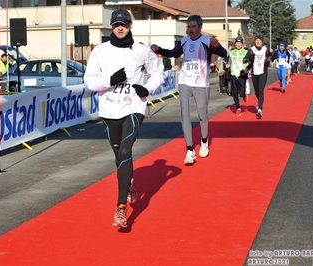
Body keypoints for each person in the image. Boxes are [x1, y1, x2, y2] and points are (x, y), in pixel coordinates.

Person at [84, 8, 164, 228]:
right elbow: (89, 81)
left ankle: (120, 208)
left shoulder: (141, 50)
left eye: (124, 24)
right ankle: (127, 184)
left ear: (130, 26)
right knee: (119, 155)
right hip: (109, 109)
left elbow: (158, 72)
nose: (120, 27)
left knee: (127, 151)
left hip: (134, 107)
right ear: (111, 27)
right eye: (116, 24)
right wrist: (109, 80)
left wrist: (146, 89)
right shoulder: (100, 51)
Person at [151, 14, 227, 164]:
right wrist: (159, 49)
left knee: (202, 115)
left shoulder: (206, 41)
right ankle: (190, 150)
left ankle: (204, 141)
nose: (191, 29)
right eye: (189, 26)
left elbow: (223, 54)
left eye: (193, 27)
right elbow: (174, 53)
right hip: (185, 81)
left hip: (201, 83)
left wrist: (217, 46)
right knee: (184, 115)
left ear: (200, 27)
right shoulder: (184, 41)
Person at [243, 34, 270, 119]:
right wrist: (249, 58)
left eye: (259, 40)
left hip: (263, 72)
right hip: (254, 73)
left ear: (262, 41)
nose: (258, 42)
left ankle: (259, 110)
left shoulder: (266, 49)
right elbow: (245, 59)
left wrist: (269, 62)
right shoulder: (252, 50)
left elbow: (270, 56)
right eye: (256, 40)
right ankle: (259, 102)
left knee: (261, 90)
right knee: (257, 91)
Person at [226, 37, 248, 116]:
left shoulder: (246, 52)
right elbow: (229, 61)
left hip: (242, 74)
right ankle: (238, 108)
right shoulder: (232, 52)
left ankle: (244, 94)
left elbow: (249, 61)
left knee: (241, 92)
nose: (238, 44)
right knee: (234, 92)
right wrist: (228, 65)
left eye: (240, 43)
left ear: (242, 44)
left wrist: (247, 69)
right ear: (235, 44)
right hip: (233, 74)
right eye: (237, 43)